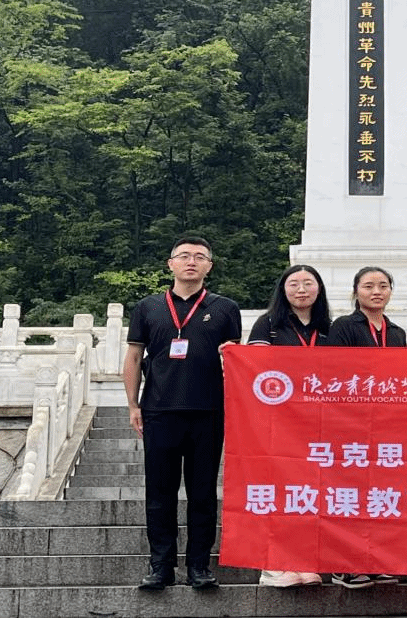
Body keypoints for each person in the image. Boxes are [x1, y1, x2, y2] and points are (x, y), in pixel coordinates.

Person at [124, 236, 242, 592]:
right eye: (185, 256)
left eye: (200, 257)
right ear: (170, 263)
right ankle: (160, 565)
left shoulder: (225, 308)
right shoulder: (147, 307)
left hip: (208, 411)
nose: (192, 261)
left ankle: (199, 566)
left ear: (209, 266)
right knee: (159, 493)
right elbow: (133, 357)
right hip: (159, 410)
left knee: (203, 493)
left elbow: (235, 360)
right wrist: (133, 404)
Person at [246, 263, 331, 587]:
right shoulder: (267, 324)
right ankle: (272, 565)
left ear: (319, 289)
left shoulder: (328, 328)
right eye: (294, 283)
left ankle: (304, 561)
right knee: (278, 491)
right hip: (277, 422)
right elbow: (255, 369)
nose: (301, 289)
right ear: (283, 289)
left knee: (308, 494)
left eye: (308, 283)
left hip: (317, 424)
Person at [324, 265, 405, 588]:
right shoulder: (344, 326)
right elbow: (336, 372)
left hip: (387, 424)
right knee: (350, 494)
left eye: (383, 285)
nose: (376, 291)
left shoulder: (397, 332)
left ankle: (375, 560)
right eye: (369, 286)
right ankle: (345, 564)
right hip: (351, 423)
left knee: (379, 494)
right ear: (356, 291)